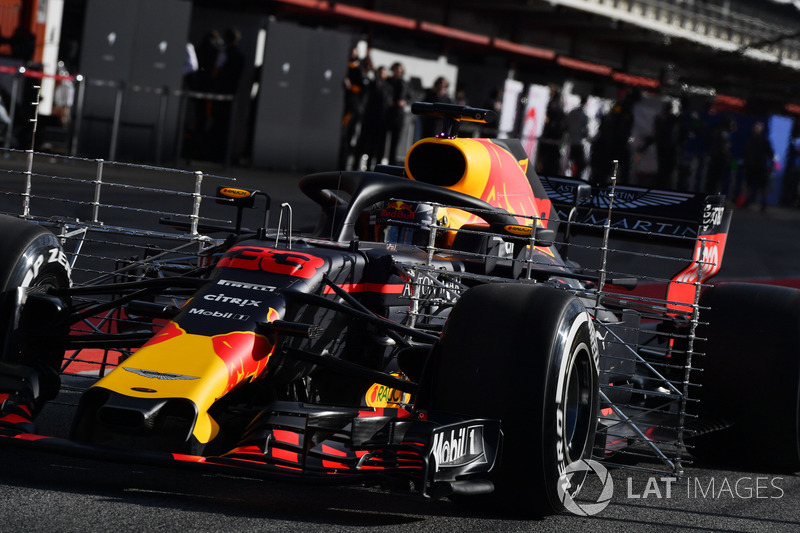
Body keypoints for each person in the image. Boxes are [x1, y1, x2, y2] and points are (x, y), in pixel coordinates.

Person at [356, 65, 392, 170]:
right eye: (379, 72)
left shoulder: (389, 88)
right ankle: (358, 165)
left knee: (377, 146)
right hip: (369, 118)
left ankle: (376, 168)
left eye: (383, 72)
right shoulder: (371, 85)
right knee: (363, 142)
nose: (381, 74)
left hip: (381, 120)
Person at [742, 121, 774, 211]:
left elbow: (770, 153)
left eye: (759, 127)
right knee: (749, 185)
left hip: (760, 166)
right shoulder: (750, 139)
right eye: (756, 127)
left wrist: (771, 164)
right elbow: (746, 152)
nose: (757, 129)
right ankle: (747, 201)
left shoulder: (764, 140)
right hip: (751, 165)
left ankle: (763, 203)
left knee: (762, 186)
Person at [537, 86, 566, 176]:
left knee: (547, 158)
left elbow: (550, 119)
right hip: (555, 137)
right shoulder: (559, 106)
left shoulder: (553, 104)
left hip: (550, 135)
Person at [385, 62, 410, 165]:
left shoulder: (404, 83)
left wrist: (404, 102)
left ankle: (391, 164)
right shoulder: (388, 81)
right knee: (382, 141)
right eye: (396, 69)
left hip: (398, 116)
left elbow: (409, 96)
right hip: (386, 114)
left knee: (395, 143)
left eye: (400, 70)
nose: (398, 71)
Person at [705, 117, 735, 195]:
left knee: (712, 180)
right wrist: (727, 158)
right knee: (715, 180)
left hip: (715, 159)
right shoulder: (723, 133)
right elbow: (724, 148)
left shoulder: (717, 131)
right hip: (719, 160)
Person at [565, 96, 589, 179]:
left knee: (571, 161)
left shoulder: (572, 113)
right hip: (578, 143)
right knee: (581, 164)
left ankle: (571, 176)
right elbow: (585, 132)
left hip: (570, 141)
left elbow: (566, 126)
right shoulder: (583, 115)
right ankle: (576, 178)